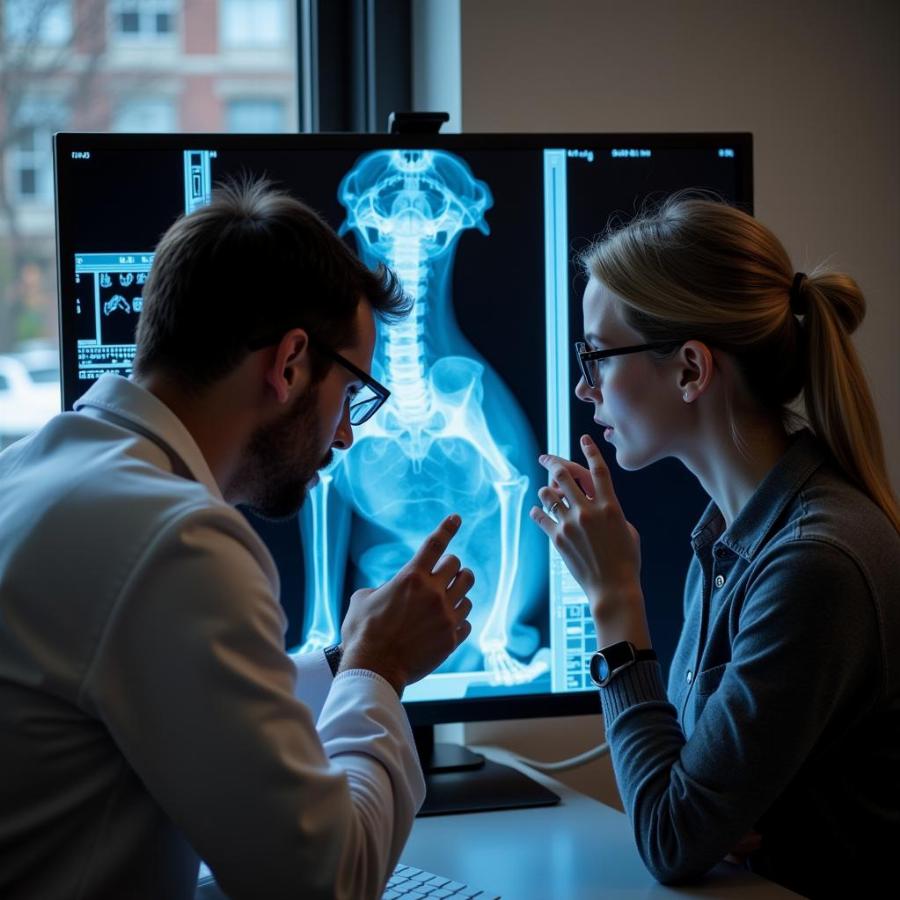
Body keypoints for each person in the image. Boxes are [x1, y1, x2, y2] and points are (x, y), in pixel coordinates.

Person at [0, 178, 475, 900]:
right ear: (288, 364)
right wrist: (379, 673)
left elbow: (172, 699)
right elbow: (326, 884)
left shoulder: (32, 473)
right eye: (352, 394)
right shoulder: (178, 541)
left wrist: (344, 662)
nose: (347, 434)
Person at [531, 194, 900, 898]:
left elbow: (671, 836)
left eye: (597, 357)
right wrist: (705, 811)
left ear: (692, 370)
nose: (585, 389)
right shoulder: (731, 541)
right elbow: (686, 803)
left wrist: (614, 606)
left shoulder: (814, 563)